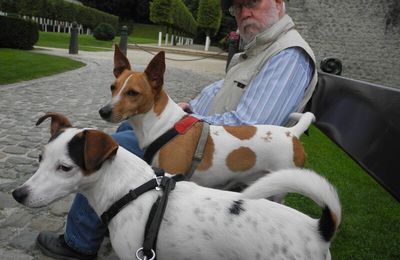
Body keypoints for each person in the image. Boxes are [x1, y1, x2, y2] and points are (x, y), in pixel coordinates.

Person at [36, 0, 318, 259]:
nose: (244, 13)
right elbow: (218, 93)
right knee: (129, 127)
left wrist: (185, 124)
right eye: (237, 8)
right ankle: (118, 223)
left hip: (212, 144)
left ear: (279, 3)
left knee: (114, 147)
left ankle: (79, 241)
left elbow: (251, 122)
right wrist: (189, 107)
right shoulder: (255, 51)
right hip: (202, 136)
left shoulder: (287, 55)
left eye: (251, 3)